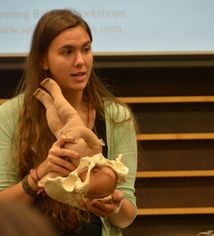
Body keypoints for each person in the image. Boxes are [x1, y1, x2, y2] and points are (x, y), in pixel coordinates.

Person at [0, 9, 138, 236]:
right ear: (43, 59)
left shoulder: (116, 116)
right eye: (67, 52)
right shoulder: (9, 116)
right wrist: (41, 173)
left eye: (86, 49)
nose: (81, 61)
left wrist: (112, 205)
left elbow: (126, 218)